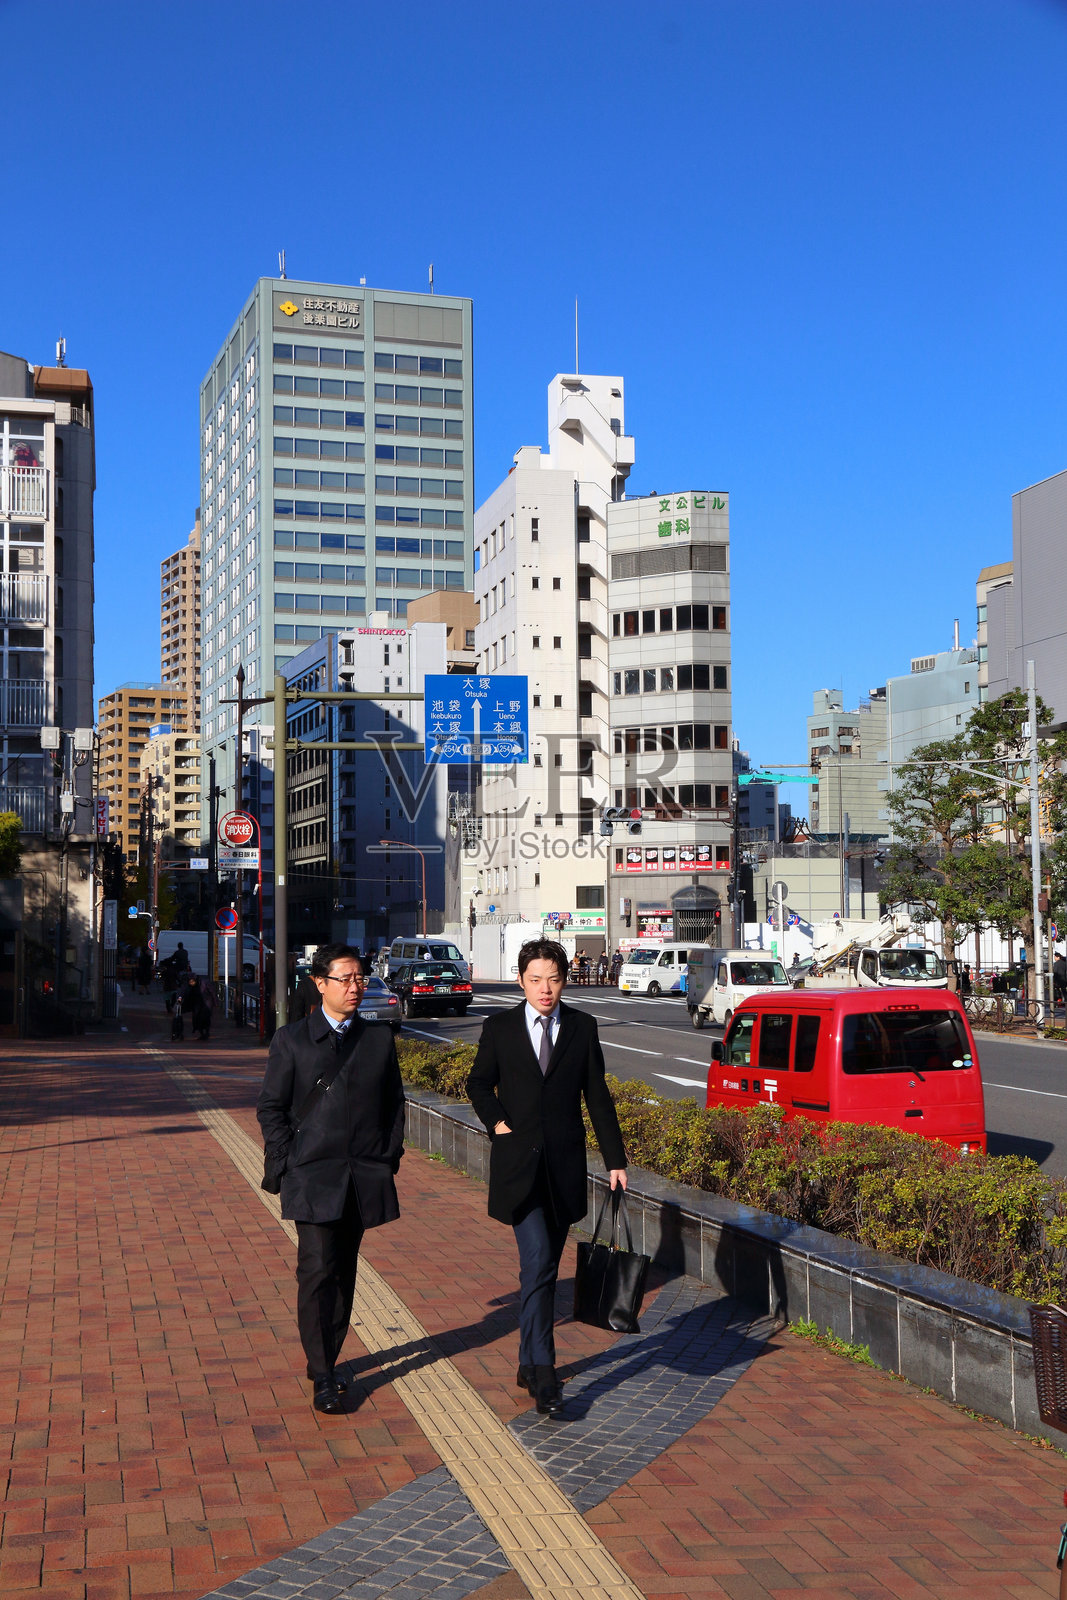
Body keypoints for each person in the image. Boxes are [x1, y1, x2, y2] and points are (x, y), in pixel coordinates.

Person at [466, 938, 626, 1418]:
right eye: (536, 980)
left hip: (563, 1167)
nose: (546, 989)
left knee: (545, 1269)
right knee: (537, 1264)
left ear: (564, 979)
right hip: (518, 1167)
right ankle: (544, 1374)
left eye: (554, 979)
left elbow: (596, 1094)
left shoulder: (581, 1026)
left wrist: (615, 1159)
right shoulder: (500, 1027)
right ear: (521, 981)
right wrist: (497, 1122)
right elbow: (478, 1082)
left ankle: (525, 1360)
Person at [257, 944, 405, 1415]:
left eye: (360, 977)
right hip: (313, 1175)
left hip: (362, 1176)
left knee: (344, 1272)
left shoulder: (378, 1039)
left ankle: (327, 1355)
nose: (355, 986)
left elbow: (394, 1107)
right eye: (345, 978)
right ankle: (323, 1373)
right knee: (316, 1271)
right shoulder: (293, 1040)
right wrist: (289, 1157)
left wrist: (386, 1157)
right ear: (320, 983)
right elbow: (271, 1108)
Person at [184, 973, 215, 1040]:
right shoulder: (189, 986)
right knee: (196, 1018)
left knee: (205, 1018)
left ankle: (206, 1032)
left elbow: (212, 992)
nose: (191, 983)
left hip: (206, 1003)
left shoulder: (204, 982)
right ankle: (201, 1033)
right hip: (197, 1003)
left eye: (192, 981)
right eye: (190, 982)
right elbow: (184, 991)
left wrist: (215, 1002)